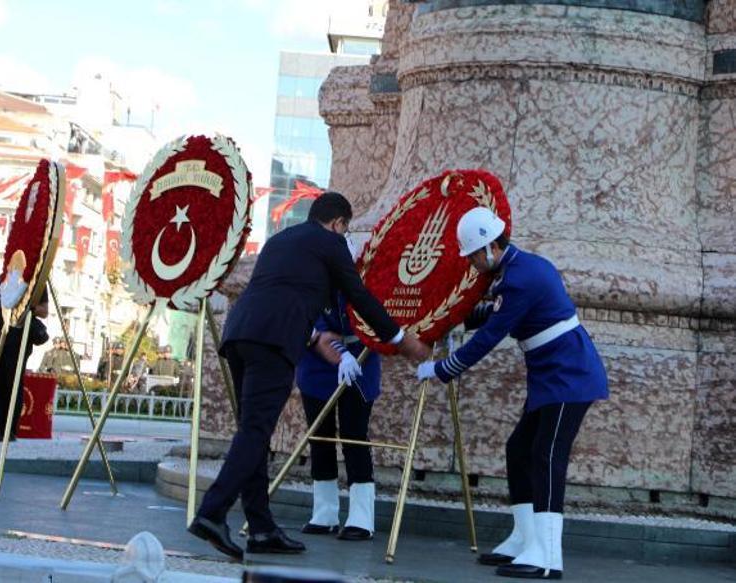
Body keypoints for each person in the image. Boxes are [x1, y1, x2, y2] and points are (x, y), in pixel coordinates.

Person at [189, 191, 430, 561]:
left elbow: (281, 294)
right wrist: (401, 339)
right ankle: (212, 512)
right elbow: (359, 296)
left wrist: (315, 337)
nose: (344, 235)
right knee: (255, 432)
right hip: (273, 342)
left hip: (239, 334)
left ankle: (262, 527)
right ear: (338, 224)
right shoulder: (330, 243)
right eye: (344, 229)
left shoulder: (281, 240)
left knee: (252, 431)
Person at [417, 208, 609, 580]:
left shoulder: (520, 277)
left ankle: (548, 555)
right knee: (519, 449)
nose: (472, 263)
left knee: (546, 456)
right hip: (554, 376)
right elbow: (498, 313)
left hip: (570, 376)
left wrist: (442, 369)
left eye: (473, 255)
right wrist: (455, 321)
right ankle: (526, 537)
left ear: (491, 246)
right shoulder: (522, 269)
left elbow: (492, 334)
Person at [296, 287, 381, 542]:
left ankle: (361, 517)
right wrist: (338, 351)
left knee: (354, 435)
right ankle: (324, 513)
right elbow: (311, 320)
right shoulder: (313, 275)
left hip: (360, 357)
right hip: (316, 359)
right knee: (319, 437)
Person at [0, 278, 49, 441]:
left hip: (18, 340)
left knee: (12, 384)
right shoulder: (3, 277)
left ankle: (9, 430)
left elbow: (44, 311)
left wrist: (29, 308)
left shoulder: (35, 278)